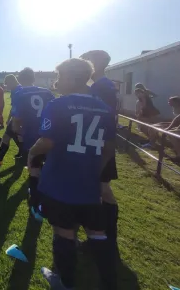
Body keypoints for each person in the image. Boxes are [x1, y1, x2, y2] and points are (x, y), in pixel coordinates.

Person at [30, 58, 117, 290]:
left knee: (64, 232)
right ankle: (109, 283)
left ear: (71, 77)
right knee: (97, 233)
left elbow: (46, 142)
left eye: (60, 77)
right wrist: (95, 171)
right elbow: (109, 148)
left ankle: (65, 283)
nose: (57, 82)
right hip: (89, 183)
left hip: (59, 181)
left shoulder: (59, 105)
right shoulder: (104, 108)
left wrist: (31, 155)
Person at [80, 50, 121, 255]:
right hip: (97, 143)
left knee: (103, 189)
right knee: (100, 189)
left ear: (98, 63)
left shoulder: (102, 87)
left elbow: (104, 118)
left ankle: (108, 236)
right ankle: (103, 234)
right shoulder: (99, 86)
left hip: (101, 145)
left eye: (88, 61)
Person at [0, 73, 54, 221]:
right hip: (47, 134)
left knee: (34, 169)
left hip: (31, 134)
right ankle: (45, 197)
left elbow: (16, 119)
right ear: (33, 79)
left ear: (21, 80)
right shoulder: (46, 92)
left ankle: (37, 207)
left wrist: (19, 131)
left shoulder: (21, 93)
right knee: (45, 166)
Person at [0, 73, 24, 163]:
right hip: (19, 117)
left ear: (12, 82)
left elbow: (17, 108)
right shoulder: (18, 89)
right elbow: (14, 107)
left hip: (18, 118)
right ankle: (23, 154)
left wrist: (13, 120)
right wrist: (9, 119)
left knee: (8, 136)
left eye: (7, 84)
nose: (6, 86)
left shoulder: (17, 91)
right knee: (15, 136)